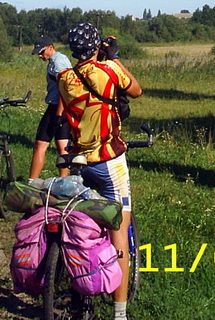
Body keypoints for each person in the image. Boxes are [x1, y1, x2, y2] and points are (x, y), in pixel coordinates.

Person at [57, 22, 143, 319]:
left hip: (79, 162)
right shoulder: (109, 70)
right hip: (108, 161)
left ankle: (80, 294)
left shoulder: (64, 78)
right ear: (96, 46)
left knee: (82, 227)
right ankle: (119, 313)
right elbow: (136, 90)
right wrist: (113, 56)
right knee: (119, 233)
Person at [27, 36, 72, 180]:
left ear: (51, 47)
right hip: (63, 108)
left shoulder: (58, 63)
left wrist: (58, 114)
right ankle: (64, 182)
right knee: (62, 146)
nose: (40, 56)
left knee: (40, 144)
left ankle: (32, 182)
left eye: (42, 52)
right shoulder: (56, 60)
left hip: (57, 107)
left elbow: (66, 89)